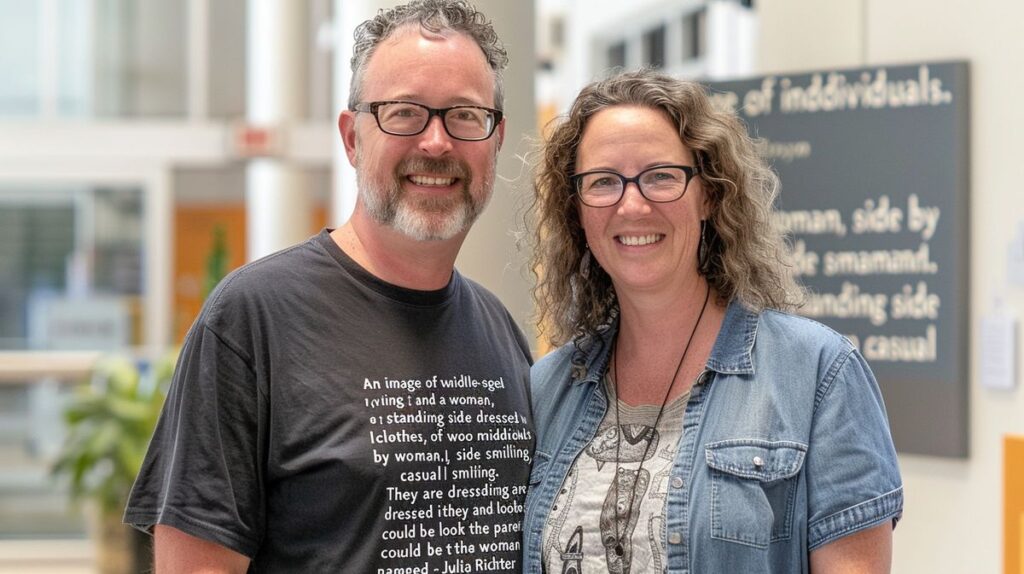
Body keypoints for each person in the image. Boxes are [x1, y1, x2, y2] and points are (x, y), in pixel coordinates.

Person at [125, 1, 534, 572]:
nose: (437, 143)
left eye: (464, 115)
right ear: (351, 138)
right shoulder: (253, 320)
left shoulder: (499, 331)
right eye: (405, 113)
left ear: (495, 140)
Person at [522, 69, 903, 573]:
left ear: (709, 195)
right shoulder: (550, 388)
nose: (632, 204)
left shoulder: (818, 374)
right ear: (577, 210)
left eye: (660, 176)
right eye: (604, 182)